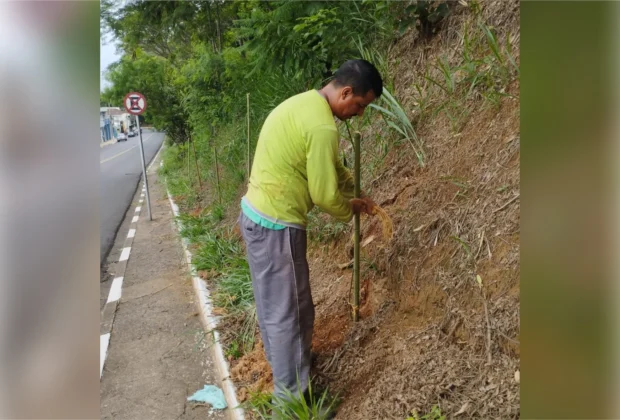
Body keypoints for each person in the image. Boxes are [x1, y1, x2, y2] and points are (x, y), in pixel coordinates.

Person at [239, 59, 382, 404]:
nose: (359, 114)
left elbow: (331, 167)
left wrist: (353, 188)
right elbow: (324, 195)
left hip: (257, 217)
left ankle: (288, 370)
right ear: (346, 92)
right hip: (277, 226)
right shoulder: (323, 128)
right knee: (289, 313)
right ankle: (291, 402)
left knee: (281, 306)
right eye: (360, 105)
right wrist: (349, 208)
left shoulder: (305, 104)